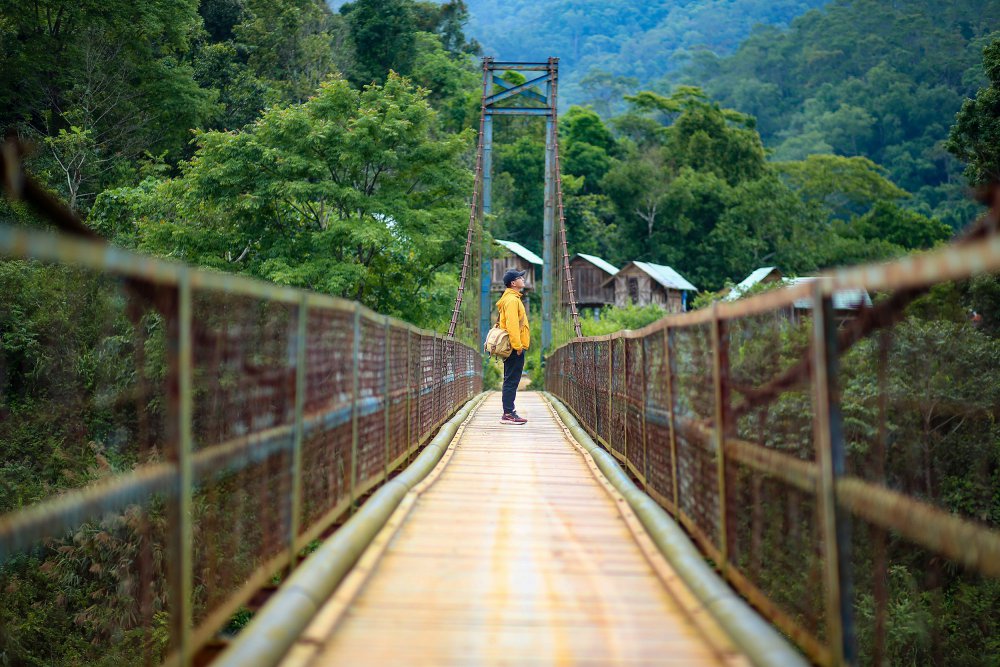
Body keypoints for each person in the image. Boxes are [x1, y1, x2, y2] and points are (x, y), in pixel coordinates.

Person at [497, 268, 530, 425]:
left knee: (510, 379)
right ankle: (508, 413)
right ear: (513, 283)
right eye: (520, 278)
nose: (523, 279)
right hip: (514, 347)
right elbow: (512, 325)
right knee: (511, 380)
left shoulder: (512, 298)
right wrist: (518, 346)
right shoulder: (512, 300)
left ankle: (509, 412)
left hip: (513, 346)